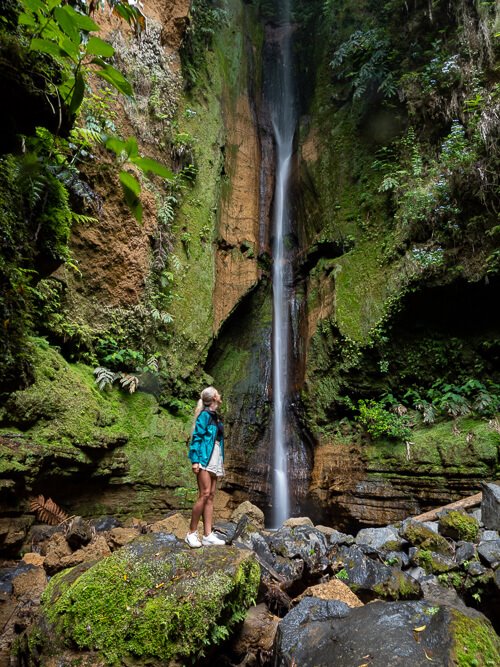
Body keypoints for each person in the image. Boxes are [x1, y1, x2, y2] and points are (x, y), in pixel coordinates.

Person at [185, 386, 226, 547]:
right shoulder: (204, 416)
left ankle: (208, 535)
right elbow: (197, 438)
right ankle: (191, 533)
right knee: (204, 493)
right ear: (214, 398)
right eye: (218, 393)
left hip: (214, 457)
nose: (220, 394)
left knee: (211, 495)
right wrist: (195, 460)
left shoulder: (215, 416)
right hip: (204, 457)